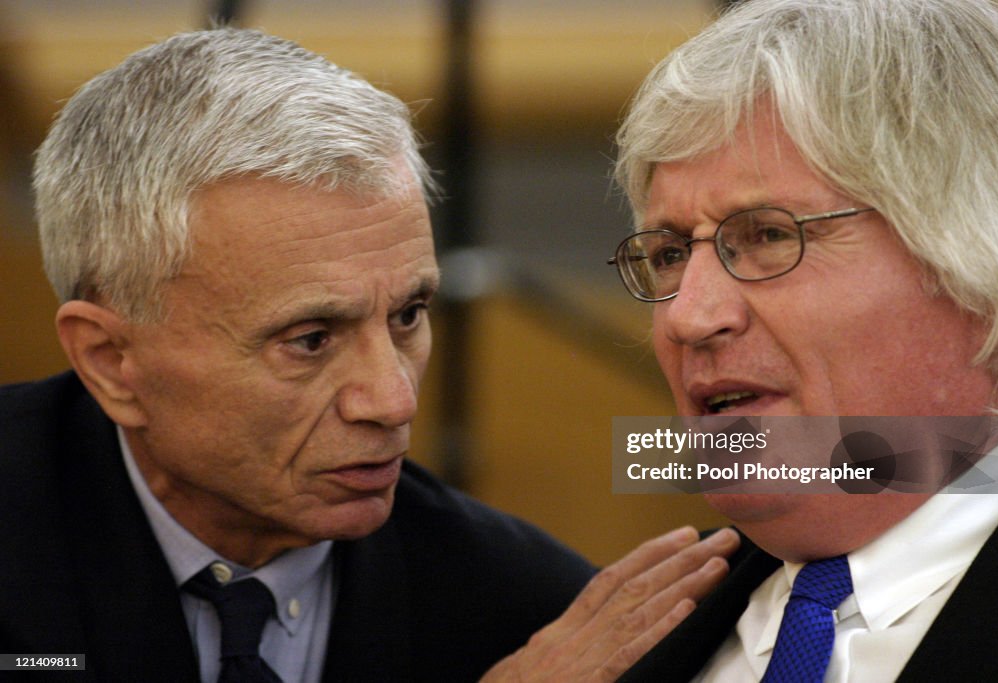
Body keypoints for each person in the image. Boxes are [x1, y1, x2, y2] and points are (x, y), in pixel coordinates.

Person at [0, 28, 740, 682]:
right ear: (110, 361)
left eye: (409, 314)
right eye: (311, 339)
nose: (392, 400)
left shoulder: (526, 611)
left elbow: (851, 457)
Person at [607, 0, 998, 680]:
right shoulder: (621, 641)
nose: (689, 316)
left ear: (979, 251)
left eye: (770, 235)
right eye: (672, 252)